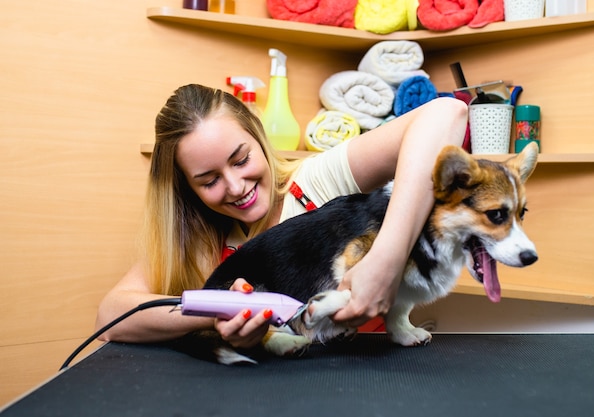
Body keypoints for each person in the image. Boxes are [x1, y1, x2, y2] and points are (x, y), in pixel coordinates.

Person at [96, 84, 467, 349]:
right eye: (209, 181)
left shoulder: (318, 182)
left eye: (241, 160)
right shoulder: (197, 236)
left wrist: (387, 260)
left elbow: (448, 112)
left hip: (372, 378)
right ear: (187, 189)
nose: (236, 186)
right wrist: (218, 312)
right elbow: (110, 316)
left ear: (259, 136)